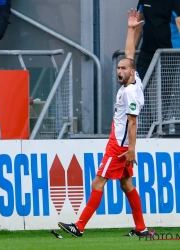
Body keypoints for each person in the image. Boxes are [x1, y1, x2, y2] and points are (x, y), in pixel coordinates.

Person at [58, 9, 147, 237]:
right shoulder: (134, 80)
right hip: (122, 144)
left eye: (123, 68)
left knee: (98, 182)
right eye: (118, 68)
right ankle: (141, 228)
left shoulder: (129, 93)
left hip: (118, 145)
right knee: (126, 185)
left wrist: (130, 150)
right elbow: (129, 52)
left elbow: (132, 122)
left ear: (132, 71)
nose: (119, 70)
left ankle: (79, 226)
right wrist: (131, 28)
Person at [135, 0, 180, 81]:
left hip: (168, 51)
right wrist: (133, 49)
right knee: (138, 82)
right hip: (147, 49)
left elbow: (179, 22)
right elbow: (139, 23)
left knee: (165, 85)